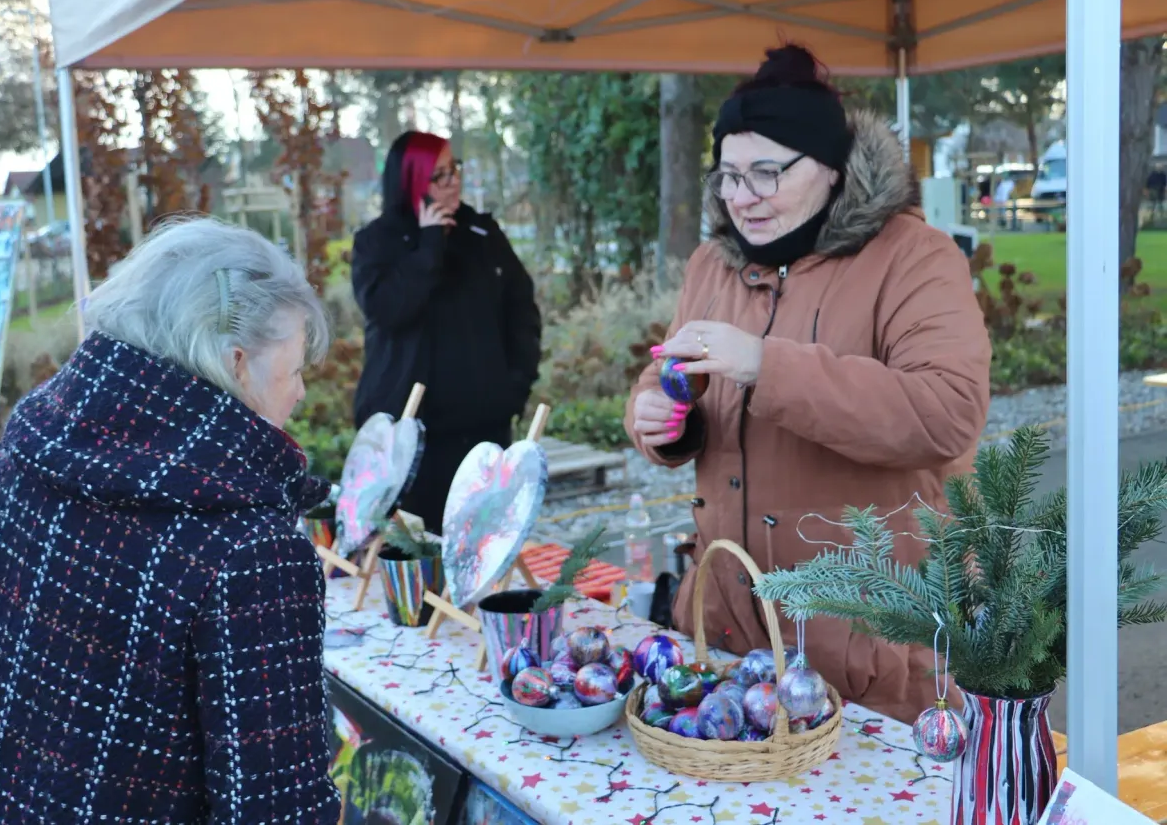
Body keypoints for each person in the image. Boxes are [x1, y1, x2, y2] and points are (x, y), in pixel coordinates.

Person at [0, 218, 341, 824]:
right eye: (292, 371)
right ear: (236, 365)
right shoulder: (247, 550)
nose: (300, 395)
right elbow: (277, 810)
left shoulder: (23, 457)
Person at [626, 45, 991, 725]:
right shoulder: (713, 263)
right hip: (723, 634)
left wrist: (766, 364)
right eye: (729, 175)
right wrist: (661, 417)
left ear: (830, 168)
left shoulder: (914, 257)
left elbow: (948, 413)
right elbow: (668, 372)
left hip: (861, 651)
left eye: (767, 173)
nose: (742, 197)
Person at [352, 132, 542, 531]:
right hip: (411, 436)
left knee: (479, 542)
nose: (453, 182)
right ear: (410, 183)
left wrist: (514, 387)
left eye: (454, 170)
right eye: (438, 176)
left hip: (481, 425)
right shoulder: (378, 242)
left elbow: (522, 312)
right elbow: (389, 312)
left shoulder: (483, 235)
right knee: (410, 550)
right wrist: (429, 245)